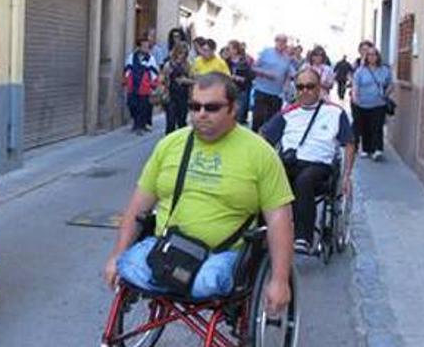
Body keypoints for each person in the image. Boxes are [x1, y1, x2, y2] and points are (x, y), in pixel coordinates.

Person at [104, 73, 295, 310]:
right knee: (126, 266)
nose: (201, 114)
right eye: (195, 106)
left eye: (212, 107)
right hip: (168, 246)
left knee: (205, 283)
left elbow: (279, 217)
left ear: (233, 109)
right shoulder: (170, 145)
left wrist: (280, 280)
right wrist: (117, 254)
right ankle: (166, 278)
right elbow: (138, 204)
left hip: (220, 253)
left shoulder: (260, 153)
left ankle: (169, 280)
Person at [261, 68, 355, 253]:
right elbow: (264, 138)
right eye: (300, 87)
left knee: (304, 180)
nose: (305, 91)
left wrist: (346, 176)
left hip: (319, 166)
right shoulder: (288, 113)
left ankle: (303, 238)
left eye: (310, 86)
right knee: (267, 180)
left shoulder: (335, 113)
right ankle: (264, 231)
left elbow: (349, 143)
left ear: (319, 87)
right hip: (290, 162)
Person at [351, 47, 394, 161]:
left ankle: (377, 149)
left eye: (374, 54)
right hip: (363, 104)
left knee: (377, 127)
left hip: (379, 103)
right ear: (366, 57)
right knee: (365, 127)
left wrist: (386, 94)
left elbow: (390, 84)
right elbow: (355, 85)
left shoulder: (384, 70)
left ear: (378, 56)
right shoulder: (360, 71)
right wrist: (355, 97)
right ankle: (366, 149)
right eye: (369, 55)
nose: (372, 57)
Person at [251, 34, 296, 133]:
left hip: (276, 94)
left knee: (271, 122)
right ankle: (253, 137)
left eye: (284, 41)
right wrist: (265, 73)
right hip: (262, 91)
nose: (282, 43)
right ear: (275, 41)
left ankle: (266, 142)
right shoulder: (266, 52)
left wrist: (286, 86)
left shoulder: (287, 58)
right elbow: (253, 67)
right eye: (279, 41)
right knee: (258, 118)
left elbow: (289, 74)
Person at [124, 38, 159, 135]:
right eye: (144, 46)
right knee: (132, 106)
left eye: (147, 47)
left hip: (144, 88)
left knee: (142, 108)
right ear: (139, 47)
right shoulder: (132, 57)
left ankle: (139, 126)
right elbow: (127, 69)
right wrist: (127, 81)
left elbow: (154, 73)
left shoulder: (150, 59)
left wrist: (152, 87)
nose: (146, 48)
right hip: (133, 87)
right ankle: (137, 122)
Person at [162, 42, 195, 135]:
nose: (181, 56)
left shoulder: (188, 65)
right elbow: (162, 80)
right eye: (180, 53)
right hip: (171, 95)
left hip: (183, 96)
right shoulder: (168, 65)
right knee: (170, 122)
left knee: (182, 122)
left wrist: (185, 81)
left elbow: (194, 80)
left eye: (184, 53)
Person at [350, 40, 374, 151]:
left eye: (367, 49)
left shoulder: (375, 63)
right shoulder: (357, 62)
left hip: (369, 99)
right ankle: (355, 143)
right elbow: (352, 76)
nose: (364, 52)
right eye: (362, 49)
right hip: (356, 97)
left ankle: (367, 146)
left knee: (367, 123)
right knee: (356, 121)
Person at [226, 40, 255, 125]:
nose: (228, 50)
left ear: (235, 50)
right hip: (230, 88)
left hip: (241, 89)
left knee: (239, 112)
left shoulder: (244, 61)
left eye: (229, 48)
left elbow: (251, 76)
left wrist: (239, 78)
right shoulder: (227, 61)